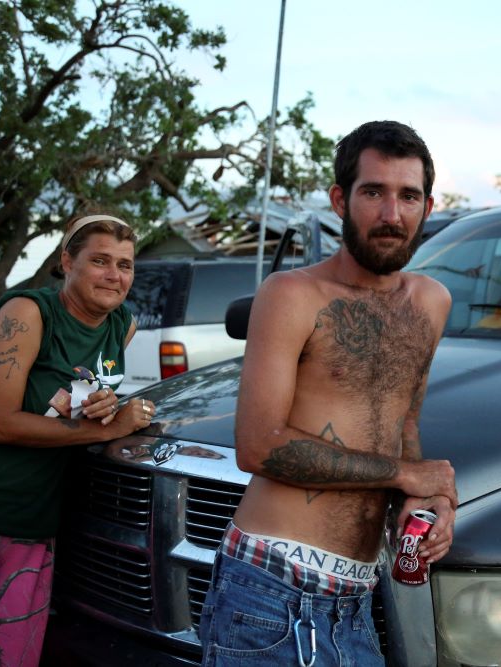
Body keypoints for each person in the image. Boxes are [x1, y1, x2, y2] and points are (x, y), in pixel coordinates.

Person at [199, 121, 456, 666]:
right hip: (268, 593)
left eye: (408, 196)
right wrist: (406, 475)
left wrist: (425, 503)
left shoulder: (431, 303)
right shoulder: (291, 295)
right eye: (373, 192)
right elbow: (259, 445)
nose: (392, 215)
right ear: (340, 199)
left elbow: (402, 423)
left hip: (358, 600)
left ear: (428, 206)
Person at [0, 213, 157, 666]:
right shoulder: (27, 312)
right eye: (99, 260)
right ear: (67, 261)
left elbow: (73, 400)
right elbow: (0, 423)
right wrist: (112, 425)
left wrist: (102, 409)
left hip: (32, 529)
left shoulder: (122, 326)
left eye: (125, 265)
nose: (114, 275)